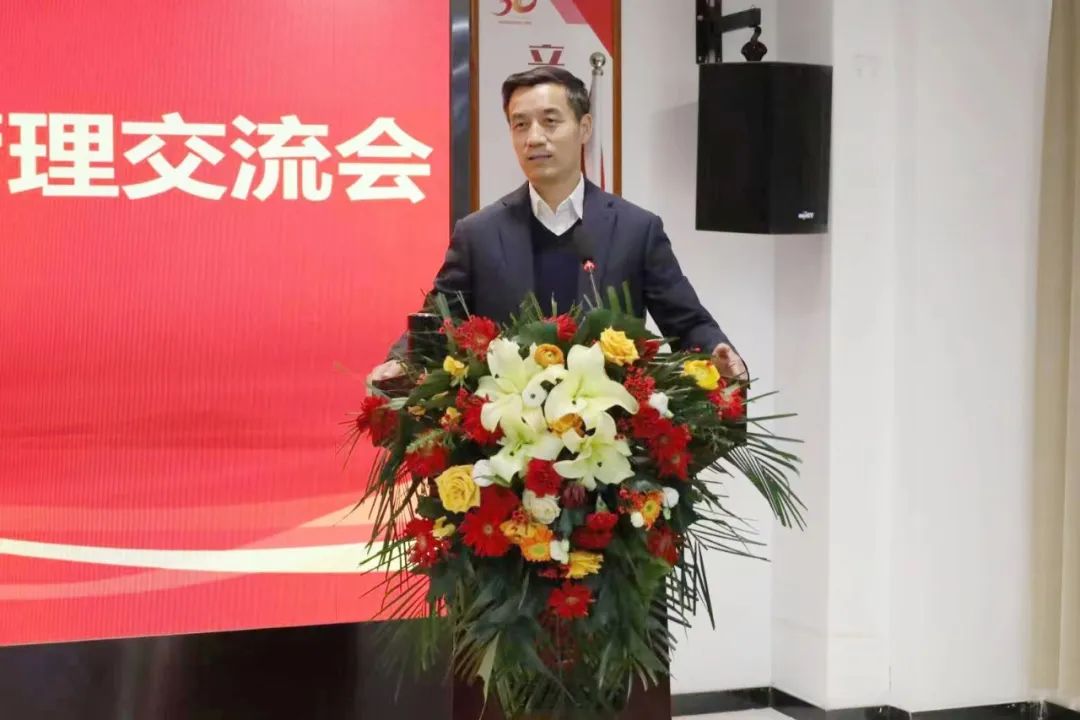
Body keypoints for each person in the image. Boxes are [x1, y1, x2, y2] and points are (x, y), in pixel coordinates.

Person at [367, 66, 745, 389]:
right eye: (520, 125)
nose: (534, 138)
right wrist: (401, 361)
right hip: (505, 437)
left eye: (550, 121)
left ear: (584, 127)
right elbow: (439, 319)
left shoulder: (636, 229)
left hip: (612, 438)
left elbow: (686, 322)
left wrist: (717, 352)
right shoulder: (478, 234)